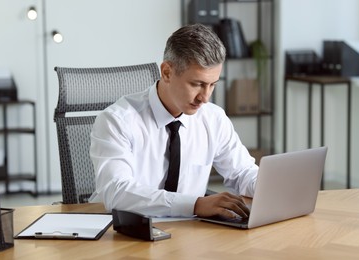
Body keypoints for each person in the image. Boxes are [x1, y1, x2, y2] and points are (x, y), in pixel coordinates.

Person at [89, 23, 258, 220]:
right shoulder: (117, 121)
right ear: (167, 72)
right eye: (197, 84)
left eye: (212, 85)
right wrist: (195, 205)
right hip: (119, 231)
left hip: (186, 233)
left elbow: (243, 172)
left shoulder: (213, 119)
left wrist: (274, 188)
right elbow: (116, 192)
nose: (205, 97)